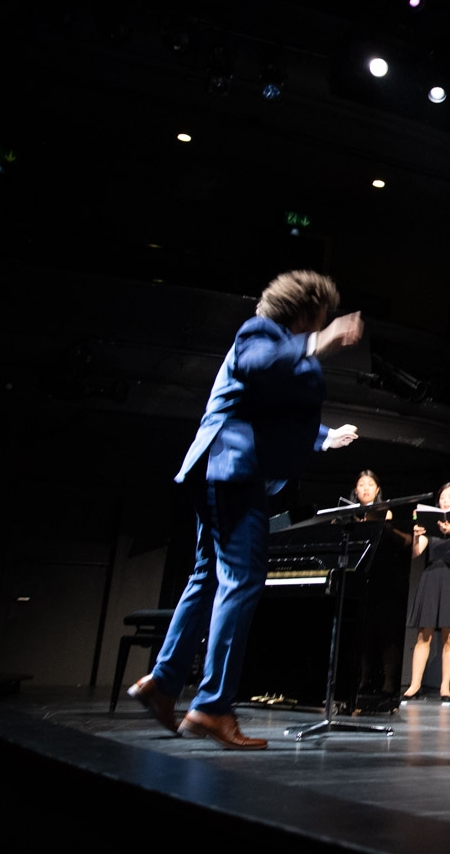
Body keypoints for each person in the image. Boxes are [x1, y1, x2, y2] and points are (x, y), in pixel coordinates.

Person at [127, 270, 362, 749]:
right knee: (244, 577)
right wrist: (318, 343)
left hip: (221, 468)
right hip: (233, 469)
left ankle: (164, 681)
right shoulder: (263, 333)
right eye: (321, 316)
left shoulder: (281, 346)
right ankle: (212, 707)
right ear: (308, 310)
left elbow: (267, 405)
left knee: (209, 576)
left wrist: (323, 437)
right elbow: (259, 365)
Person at [403, 481, 450, 699]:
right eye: (442, 497)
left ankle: (445, 686)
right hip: (432, 576)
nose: (445, 500)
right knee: (423, 635)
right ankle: (414, 684)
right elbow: (416, 553)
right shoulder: (431, 522)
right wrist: (416, 536)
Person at [350, 469, 413, 704]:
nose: (365, 488)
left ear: (377, 490)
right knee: (362, 634)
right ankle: (362, 679)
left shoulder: (386, 514)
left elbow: (400, 543)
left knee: (387, 633)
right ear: (355, 490)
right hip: (358, 578)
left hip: (385, 578)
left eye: (370, 485)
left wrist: (383, 526)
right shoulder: (349, 515)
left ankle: (388, 682)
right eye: (361, 484)